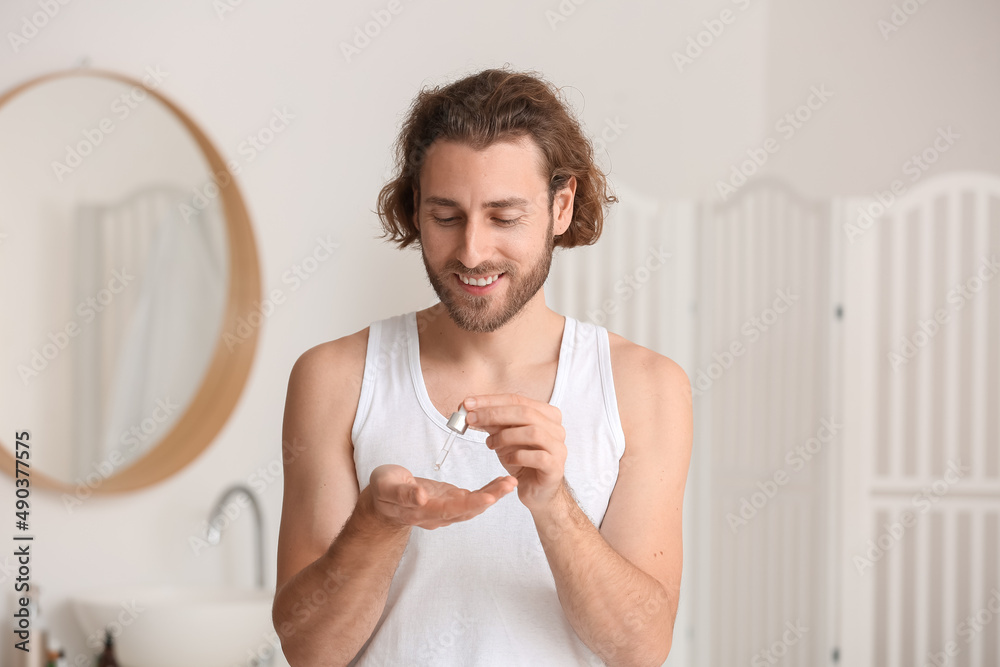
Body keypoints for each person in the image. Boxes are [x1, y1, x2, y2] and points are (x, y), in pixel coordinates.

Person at [272, 66, 693, 667]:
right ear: (416, 209)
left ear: (561, 206)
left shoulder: (645, 387)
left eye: (504, 217)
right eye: (446, 217)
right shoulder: (334, 378)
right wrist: (376, 525)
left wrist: (554, 506)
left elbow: (642, 647)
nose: (472, 252)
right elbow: (308, 650)